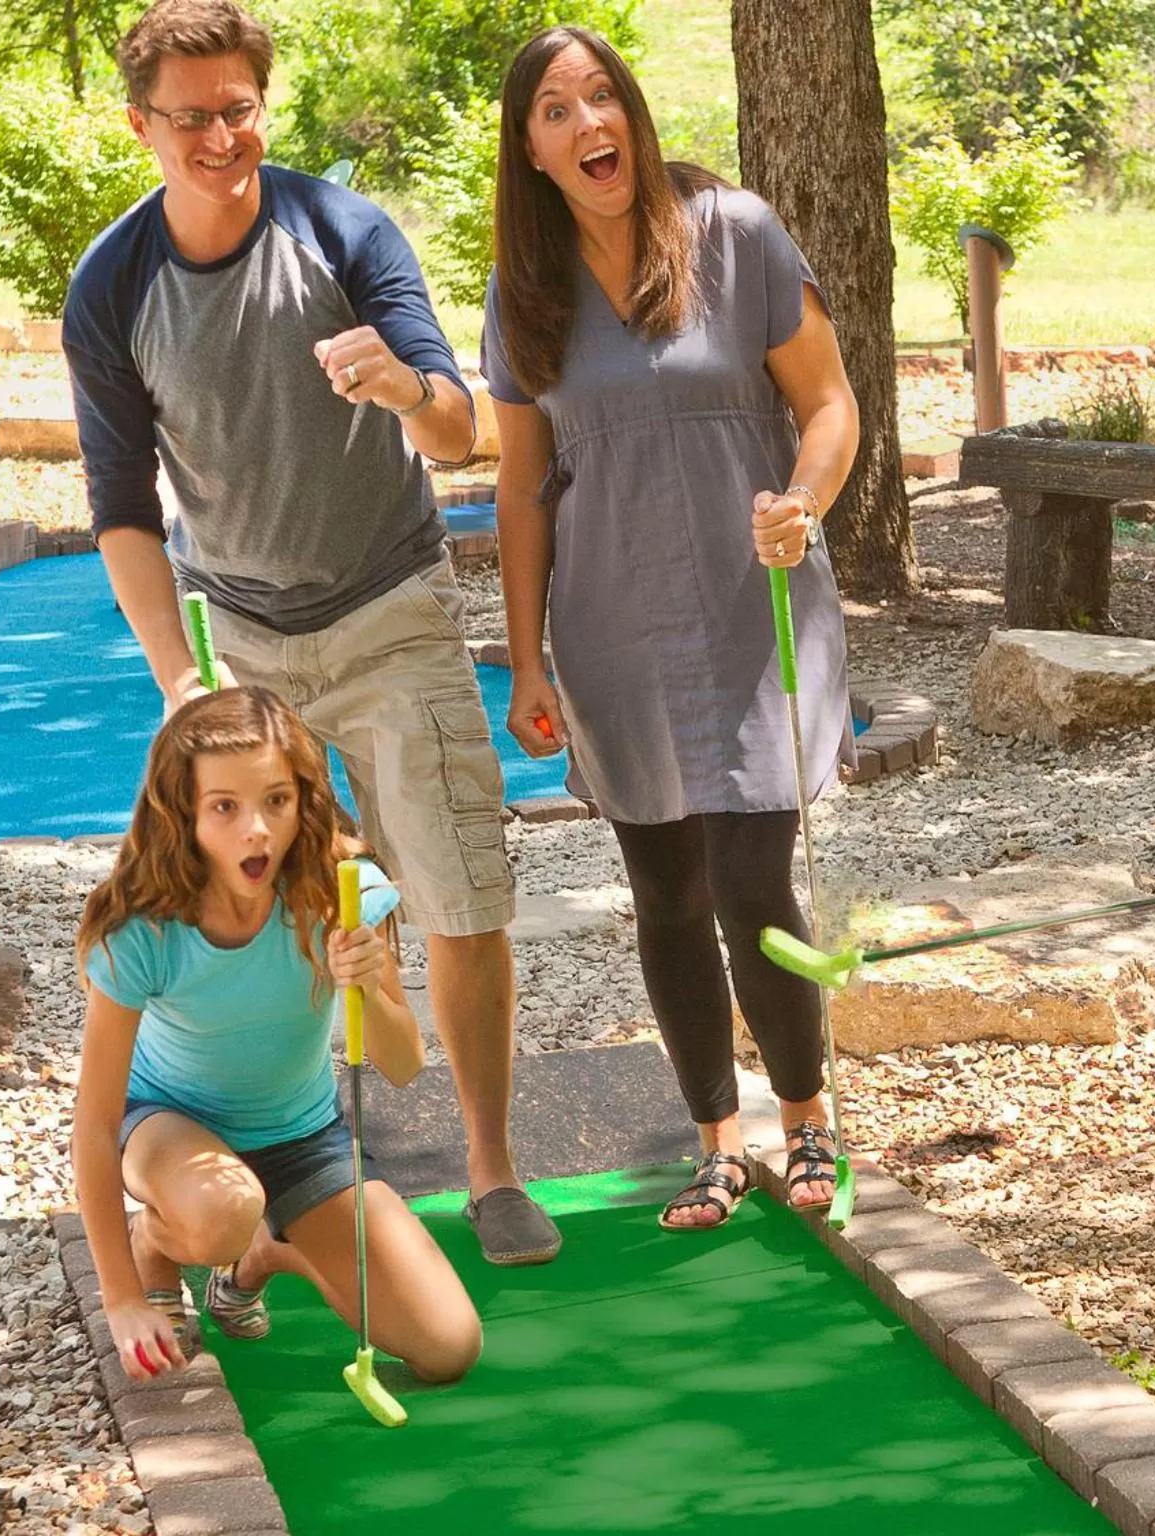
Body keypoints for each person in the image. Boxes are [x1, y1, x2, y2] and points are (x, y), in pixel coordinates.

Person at [62, 0, 559, 1265]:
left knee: (455, 889)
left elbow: (461, 431)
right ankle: (262, 1155)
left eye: (240, 108)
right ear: (142, 126)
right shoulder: (113, 287)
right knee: (274, 904)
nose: (220, 135)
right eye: (192, 116)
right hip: (246, 643)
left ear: (263, 108)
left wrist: (402, 387)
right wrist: (182, 678)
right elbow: (122, 511)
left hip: (391, 606)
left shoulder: (341, 230)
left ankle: (492, 1169)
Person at [482, 26, 860, 1230]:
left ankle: (805, 1122)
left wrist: (802, 502)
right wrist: (527, 655)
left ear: (634, 118)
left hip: (752, 603)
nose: (588, 124)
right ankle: (715, 1142)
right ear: (530, 149)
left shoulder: (735, 234)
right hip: (610, 622)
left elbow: (830, 401)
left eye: (604, 98)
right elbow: (520, 485)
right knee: (661, 889)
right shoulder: (523, 291)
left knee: (751, 877)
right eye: (556, 109)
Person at [72, 688, 482, 1384]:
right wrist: (120, 1300)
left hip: (300, 1135)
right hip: (166, 1127)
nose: (256, 828)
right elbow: (94, 1118)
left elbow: (405, 1062)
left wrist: (367, 985)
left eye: (277, 801)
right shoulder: (143, 925)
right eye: (225, 806)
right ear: (185, 813)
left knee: (449, 1347)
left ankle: (261, 1254)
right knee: (224, 1210)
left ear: (303, 801)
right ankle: (160, 1245)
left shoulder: (345, 889)